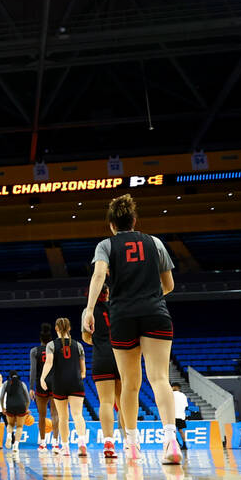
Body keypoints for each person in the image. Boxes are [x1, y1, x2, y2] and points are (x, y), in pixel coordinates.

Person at [82, 193, 180, 465]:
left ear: (112, 225)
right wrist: (148, 295)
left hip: (122, 315)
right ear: (134, 220)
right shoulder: (155, 243)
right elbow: (169, 285)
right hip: (155, 312)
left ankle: (132, 445)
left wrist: (89, 309)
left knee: (129, 384)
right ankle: (171, 440)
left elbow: (99, 275)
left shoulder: (106, 245)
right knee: (160, 378)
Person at [81, 283, 127, 459]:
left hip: (101, 357)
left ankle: (109, 442)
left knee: (106, 402)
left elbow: (86, 337)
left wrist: (100, 343)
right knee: (124, 403)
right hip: (121, 356)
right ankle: (130, 443)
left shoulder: (88, 311)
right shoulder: (119, 307)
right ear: (108, 293)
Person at [41, 317, 88, 457]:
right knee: (78, 415)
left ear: (56, 328)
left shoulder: (51, 345)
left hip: (59, 384)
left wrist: (43, 378)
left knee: (63, 417)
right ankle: (82, 443)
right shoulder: (78, 345)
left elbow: (48, 363)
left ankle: (66, 448)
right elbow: (83, 371)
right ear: (69, 328)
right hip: (76, 382)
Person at [29, 323, 58, 451]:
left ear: (41, 339)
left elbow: (33, 370)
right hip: (54, 382)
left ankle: (42, 443)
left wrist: (31, 387)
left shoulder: (35, 351)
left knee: (42, 415)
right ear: (50, 339)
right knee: (55, 414)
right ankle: (56, 443)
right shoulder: (55, 349)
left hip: (41, 384)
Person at [0, 371, 29, 453]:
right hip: (21, 406)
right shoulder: (22, 384)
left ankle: (9, 435)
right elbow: (28, 399)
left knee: (10, 424)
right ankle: (16, 445)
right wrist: (26, 409)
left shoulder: (6, 383)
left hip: (10, 406)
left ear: (10, 376)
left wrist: (3, 408)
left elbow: (1, 397)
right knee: (19, 426)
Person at [172, 383, 189, 452]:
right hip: (181, 415)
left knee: (173, 431)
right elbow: (186, 406)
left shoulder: (171, 394)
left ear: (174, 387)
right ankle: (184, 445)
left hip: (173, 415)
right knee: (181, 430)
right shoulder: (183, 395)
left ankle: (177, 444)